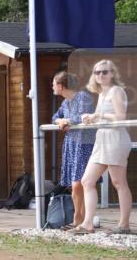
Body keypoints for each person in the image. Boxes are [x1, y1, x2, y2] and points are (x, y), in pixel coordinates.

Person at [74, 61, 132, 235]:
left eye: (104, 72)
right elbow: (103, 118)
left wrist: (98, 115)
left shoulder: (116, 91)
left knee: (119, 182)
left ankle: (124, 224)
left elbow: (120, 117)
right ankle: (87, 223)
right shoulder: (102, 93)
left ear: (112, 73)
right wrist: (90, 118)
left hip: (115, 138)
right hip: (102, 139)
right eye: (97, 72)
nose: (100, 75)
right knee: (87, 181)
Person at [51, 72, 96, 229]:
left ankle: (79, 218)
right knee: (74, 183)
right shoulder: (65, 102)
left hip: (84, 144)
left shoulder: (83, 97)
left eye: (53, 84)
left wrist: (67, 121)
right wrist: (61, 120)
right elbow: (55, 117)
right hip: (71, 144)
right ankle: (81, 219)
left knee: (79, 182)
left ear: (61, 86)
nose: (52, 87)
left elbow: (83, 118)